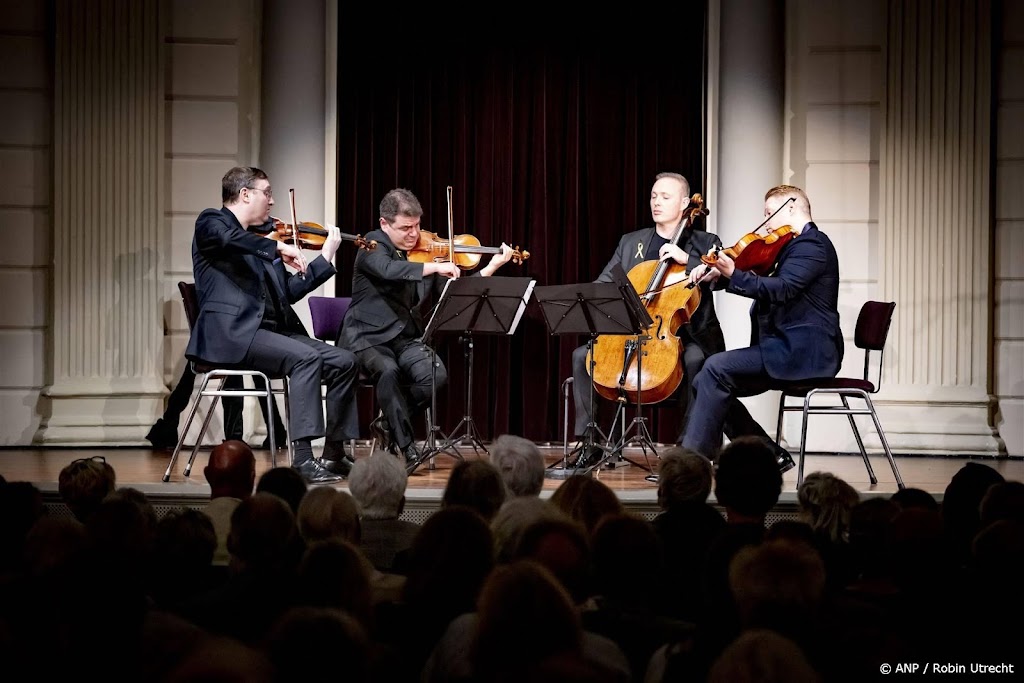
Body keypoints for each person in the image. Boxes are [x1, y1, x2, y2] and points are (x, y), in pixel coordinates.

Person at [187, 166, 360, 484]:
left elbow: (287, 294)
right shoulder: (212, 222)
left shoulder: (258, 242)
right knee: (305, 358)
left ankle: (334, 455)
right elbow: (227, 238)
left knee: (344, 361)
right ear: (245, 194)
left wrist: (324, 258)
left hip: (269, 332)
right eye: (266, 192)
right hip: (234, 335)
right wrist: (278, 247)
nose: (272, 200)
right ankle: (304, 459)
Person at [336, 188, 513, 469]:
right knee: (388, 371)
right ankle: (407, 447)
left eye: (417, 226)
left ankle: (387, 423)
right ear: (385, 224)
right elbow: (388, 270)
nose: (414, 234)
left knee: (434, 375)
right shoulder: (372, 244)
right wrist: (432, 267)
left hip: (404, 336)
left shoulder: (427, 254)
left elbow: (456, 292)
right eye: (406, 228)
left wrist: (492, 265)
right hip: (366, 335)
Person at [570, 172, 730, 464]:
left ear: (685, 202)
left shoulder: (706, 241)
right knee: (583, 356)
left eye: (665, 197)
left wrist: (688, 260)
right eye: (654, 196)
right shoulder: (631, 243)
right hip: (634, 332)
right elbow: (604, 284)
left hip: (687, 334)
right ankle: (589, 444)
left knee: (696, 361)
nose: (656, 202)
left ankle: (689, 450)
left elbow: (719, 277)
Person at [681, 184, 843, 471]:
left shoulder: (812, 245)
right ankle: (769, 454)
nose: (765, 223)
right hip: (781, 349)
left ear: (791, 207)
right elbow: (764, 285)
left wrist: (733, 273)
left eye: (770, 213)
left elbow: (782, 289)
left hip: (802, 354)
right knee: (708, 379)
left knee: (715, 369)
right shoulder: (790, 247)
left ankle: (690, 466)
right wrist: (718, 278)